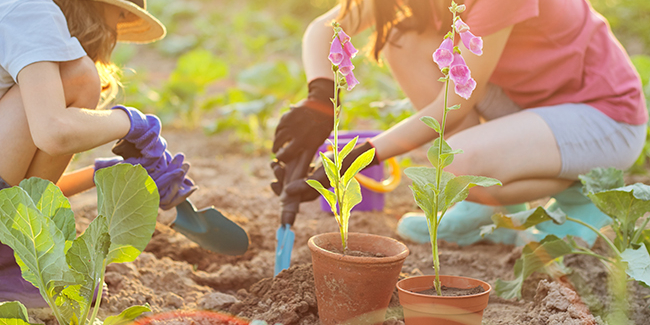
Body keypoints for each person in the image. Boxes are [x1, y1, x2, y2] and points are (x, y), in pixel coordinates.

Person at [271, 0, 647, 247]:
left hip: (602, 119)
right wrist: (319, 99)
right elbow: (329, 25)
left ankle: (584, 192)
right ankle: (482, 209)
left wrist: (357, 158)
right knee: (401, 37)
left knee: (458, 163)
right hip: (529, 107)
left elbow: (449, 106)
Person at [0, 0, 195, 307]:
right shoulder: (31, 9)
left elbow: (25, 188)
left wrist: (103, 171)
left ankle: (11, 263)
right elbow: (55, 131)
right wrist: (133, 122)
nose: (116, 30)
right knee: (79, 76)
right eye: (119, 14)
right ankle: (9, 266)